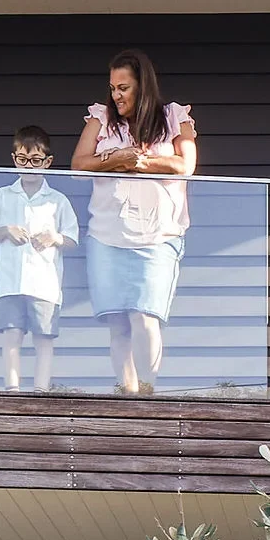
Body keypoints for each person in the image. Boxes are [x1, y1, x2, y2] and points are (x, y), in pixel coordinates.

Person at [71, 49, 196, 394]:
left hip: (159, 235)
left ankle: (147, 390)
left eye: (123, 87)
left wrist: (139, 163)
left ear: (143, 86)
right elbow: (79, 165)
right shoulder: (101, 118)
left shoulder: (174, 117)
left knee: (145, 315)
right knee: (117, 322)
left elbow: (185, 166)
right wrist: (116, 158)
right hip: (106, 235)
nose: (116, 95)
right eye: (112, 88)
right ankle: (126, 393)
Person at [0, 124, 79, 393]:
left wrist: (55, 237)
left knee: (44, 338)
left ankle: (41, 390)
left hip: (45, 284)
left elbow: (72, 238)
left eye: (35, 161)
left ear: (47, 162)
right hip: (10, 283)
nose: (29, 166)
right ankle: (12, 389)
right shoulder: (1, 196)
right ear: (14, 159)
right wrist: (6, 230)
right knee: (11, 335)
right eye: (23, 160)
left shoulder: (58, 201)